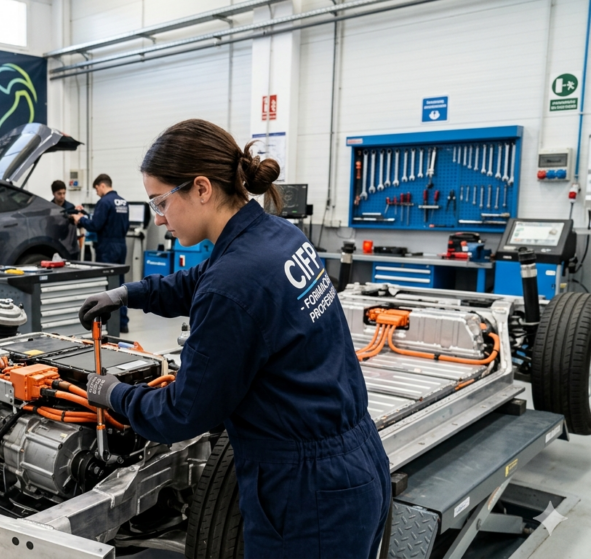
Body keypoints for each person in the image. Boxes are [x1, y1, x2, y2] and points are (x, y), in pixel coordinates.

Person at [79, 119, 390, 558]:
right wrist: (129, 292)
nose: (160, 217)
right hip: (353, 461)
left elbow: (184, 413)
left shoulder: (235, 281)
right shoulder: (277, 234)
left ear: (202, 189)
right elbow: (200, 280)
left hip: (307, 493)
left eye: (160, 201)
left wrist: (117, 396)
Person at [71, 173, 129, 332]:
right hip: (121, 244)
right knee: (121, 283)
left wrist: (80, 219)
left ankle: (110, 323)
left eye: (96, 189)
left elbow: (96, 225)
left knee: (108, 284)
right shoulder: (123, 201)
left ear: (102, 185)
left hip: (107, 246)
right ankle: (123, 322)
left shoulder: (104, 202)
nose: (97, 192)